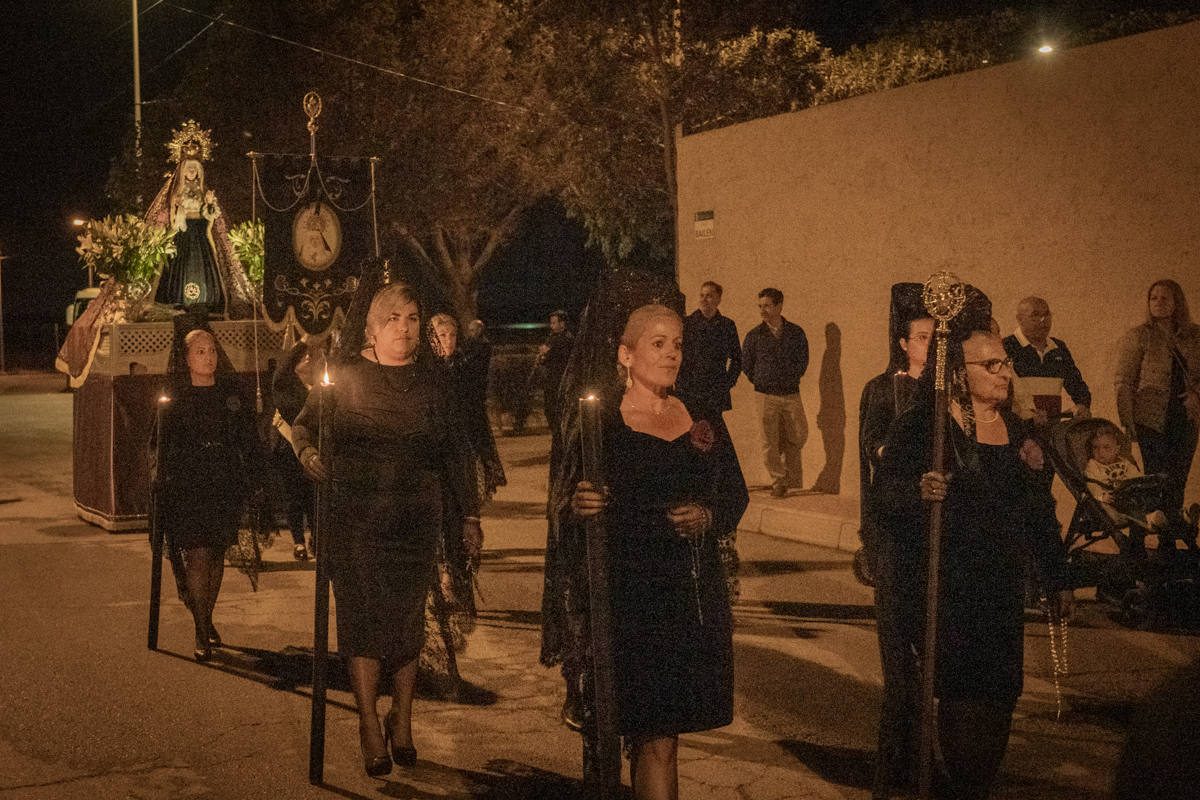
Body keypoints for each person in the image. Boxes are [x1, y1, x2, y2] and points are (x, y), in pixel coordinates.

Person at [874, 317, 1074, 800]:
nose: (1006, 372)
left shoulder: (1016, 430)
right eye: (993, 364)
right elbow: (887, 492)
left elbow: (1038, 511)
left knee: (1000, 696)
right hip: (948, 586)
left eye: (1006, 362)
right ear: (960, 373)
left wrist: (1057, 577)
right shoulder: (928, 424)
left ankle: (978, 785)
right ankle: (962, 785)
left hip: (1001, 590)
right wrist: (920, 491)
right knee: (962, 698)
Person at [292, 278, 482, 777]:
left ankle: (403, 717)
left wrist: (470, 515)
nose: (405, 328)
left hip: (416, 519)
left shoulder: (435, 383)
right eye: (393, 319)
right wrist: (307, 451)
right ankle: (369, 723)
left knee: (405, 622)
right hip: (353, 518)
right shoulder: (346, 376)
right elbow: (302, 424)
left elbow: (457, 452)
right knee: (361, 619)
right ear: (372, 329)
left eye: (413, 319)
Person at [565, 301, 747, 800]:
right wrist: (581, 503)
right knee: (650, 733)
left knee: (664, 738)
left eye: (678, 345)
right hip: (629, 595)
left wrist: (708, 515)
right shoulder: (602, 420)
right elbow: (570, 506)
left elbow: (734, 492)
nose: (671, 355)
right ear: (626, 355)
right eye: (658, 344)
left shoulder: (700, 417)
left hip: (686, 594)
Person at [857, 284, 932, 798]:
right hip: (895, 539)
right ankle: (892, 773)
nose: (930, 345)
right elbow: (871, 455)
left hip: (939, 546)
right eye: (922, 337)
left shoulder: (949, 394)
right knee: (900, 676)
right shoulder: (883, 390)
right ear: (904, 342)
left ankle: (933, 764)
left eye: (935, 337)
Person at [153, 318, 256, 662]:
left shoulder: (229, 394)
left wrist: (254, 477)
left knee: (215, 555)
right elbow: (160, 444)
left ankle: (204, 617)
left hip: (223, 481)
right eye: (200, 351)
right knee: (196, 554)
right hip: (188, 483)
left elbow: (247, 439)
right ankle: (201, 631)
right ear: (186, 359)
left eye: (212, 350)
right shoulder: (175, 397)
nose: (208, 357)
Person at [1114, 279, 1200, 511]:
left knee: (1177, 480)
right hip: (1150, 419)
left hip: (1186, 418)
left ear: (1177, 302)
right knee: (1154, 479)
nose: (1159, 302)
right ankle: (1142, 536)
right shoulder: (1139, 336)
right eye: (1154, 298)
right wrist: (1127, 422)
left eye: (1165, 298)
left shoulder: (1194, 336)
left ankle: (1168, 538)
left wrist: (1195, 394)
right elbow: (1124, 381)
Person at [742, 287, 809, 498]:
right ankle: (778, 481)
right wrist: (763, 380)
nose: (763, 310)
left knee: (799, 432)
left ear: (779, 306)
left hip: (790, 393)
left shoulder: (795, 333)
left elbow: (803, 359)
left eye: (767, 306)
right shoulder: (754, 336)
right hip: (765, 395)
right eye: (760, 306)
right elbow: (747, 365)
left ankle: (780, 454)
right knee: (767, 440)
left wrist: (791, 377)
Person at [431, 312, 507, 499]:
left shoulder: (463, 364)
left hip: (464, 434)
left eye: (452, 335)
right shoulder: (427, 369)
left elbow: (471, 401)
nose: (448, 341)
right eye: (442, 335)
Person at [1002, 296, 1091, 425]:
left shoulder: (1059, 348)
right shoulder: (1006, 347)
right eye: (1035, 315)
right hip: (1019, 431)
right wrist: (1026, 416)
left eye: (1047, 315)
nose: (1043, 320)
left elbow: (1077, 385)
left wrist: (1082, 405)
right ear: (1020, 319)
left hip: (1051, 429)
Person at [271, 340, 316, 560]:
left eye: (308, 356)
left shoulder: (319, 386)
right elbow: (282, 369)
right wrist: (302, 342)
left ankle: (316, 538)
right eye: (301, 358)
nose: (306, 359)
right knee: (294, 498)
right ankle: (298, 541)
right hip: (287, 451)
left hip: (312, 450)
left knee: (314, 498)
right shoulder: (285, 385)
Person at [678, 281, 741, 427]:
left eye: (709, 296)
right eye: (702, 295)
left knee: (714, 438)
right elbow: (676, 356)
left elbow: (737, 359)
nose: (704, 300)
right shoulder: (687, 325)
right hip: (690, 392)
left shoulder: (727, 326)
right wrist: (680, 385)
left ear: (718, 299)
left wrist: (726, 383)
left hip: (715, 393)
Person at [1085, 425, 1168, 535]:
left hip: (1129, 495)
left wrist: (1142, 483)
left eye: (1106, 447)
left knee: (1156, 487)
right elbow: (1091, 484)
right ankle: (1150, 520)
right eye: (1095, 447)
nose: (1100, 452)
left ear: (1117, 449)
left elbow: (1136, 477)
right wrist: (1101, 495)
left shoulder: (1124, 462)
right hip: (1112, 499)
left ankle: (1177, 518)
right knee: (1126, 506)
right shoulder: (1093, 465)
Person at [538, 310, 574, 435]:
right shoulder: (552, 338)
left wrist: (547, 354)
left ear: (562, 324)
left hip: (560, 381)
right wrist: (543, 356)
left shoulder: (567, 339)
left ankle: (560, 441)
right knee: (549, 410)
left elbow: (560, 358)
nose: (551, 326)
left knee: (557, 412)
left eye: (554, 323)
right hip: (551, 380)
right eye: (551, 323)